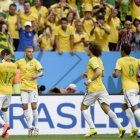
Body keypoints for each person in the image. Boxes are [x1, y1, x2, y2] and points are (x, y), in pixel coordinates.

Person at [81, 41, 125, 138]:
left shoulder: (92, 60)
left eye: (87, 48)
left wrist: (89, 80)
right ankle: (120, 127)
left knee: (83, 107)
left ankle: (92, 128)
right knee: (107, 109)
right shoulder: (99, 60)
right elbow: (102, 73)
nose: (86, 50)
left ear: (91, 49)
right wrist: (88, 74)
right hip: (102, 89)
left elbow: (97, 72)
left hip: (93, 89)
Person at [112, 44, 140, 137]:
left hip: (128, 89)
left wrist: (113, 74)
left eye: (120, 50)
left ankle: (139, 131)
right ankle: (134, 127)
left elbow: (116, 75)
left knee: (134, 107)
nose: (120, 51)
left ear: (123, 51)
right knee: (125, 106)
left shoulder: (120, 60)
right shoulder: (136, 60)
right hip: (136, 87)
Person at [16, 47, 44, 136]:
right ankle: (29, 127)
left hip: (33, 88)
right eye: (29, 52)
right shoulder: (20, 62)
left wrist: (37, 75)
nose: (31, 53)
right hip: (23, 88)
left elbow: (42, 72)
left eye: (32, 52)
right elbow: (12, 68)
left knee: (33, 106)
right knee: (24, 107)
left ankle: (37, 127)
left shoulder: (35, 62)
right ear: (25, 52)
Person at [0, 49, 17, 138]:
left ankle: (4, 125)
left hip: (1, 90)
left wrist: (2, 61)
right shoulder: (14, 66)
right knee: (5, 110)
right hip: (9, 91)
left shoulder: (1, 65)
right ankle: (6, 133)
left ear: (4, 55)